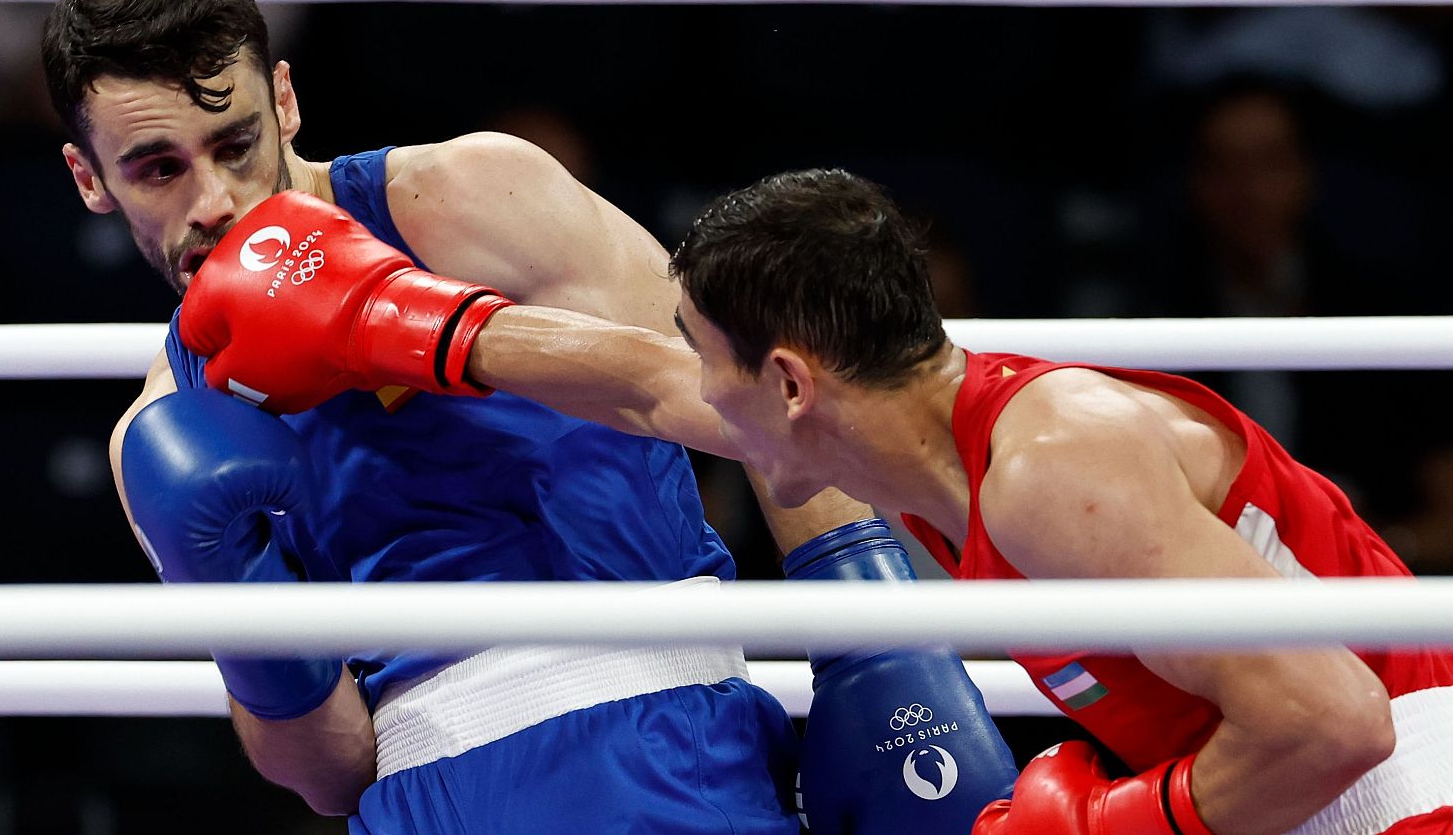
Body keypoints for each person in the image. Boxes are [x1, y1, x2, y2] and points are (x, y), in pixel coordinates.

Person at [42, 0, 1016, 833]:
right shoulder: (166, 428)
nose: (212, 200)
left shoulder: (463, 200)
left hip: (666, 753)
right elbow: (331, 773)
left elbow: (749, 393)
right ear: (90, 181)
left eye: (236, 143)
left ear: (285, 102)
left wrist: (878, 644)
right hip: (426, 799)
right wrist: (236, 596)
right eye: (159, 169)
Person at [192, 166, 1453, 833]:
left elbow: (1336, 723)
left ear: (788, 382)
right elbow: (642, 386)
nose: (687, 393)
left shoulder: (1050, 467)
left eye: (702, 355)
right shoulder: (928, 468)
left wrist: (1125, 827)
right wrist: (409, 329)